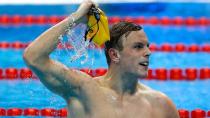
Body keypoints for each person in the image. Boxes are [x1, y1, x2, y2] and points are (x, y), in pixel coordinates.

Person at [23, 0, 179, 118]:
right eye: (138, 47)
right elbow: (33, 57)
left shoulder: (161, 105)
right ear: (114, 55)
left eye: (147, 46)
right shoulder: (83, 89)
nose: (148, 52)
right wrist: (76, 18)